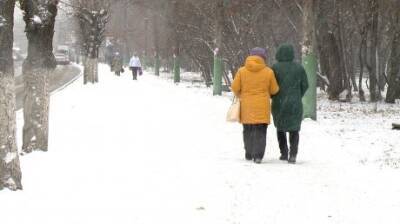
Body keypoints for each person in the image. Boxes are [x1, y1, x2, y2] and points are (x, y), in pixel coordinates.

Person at [231, 47, 280, 164]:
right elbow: (274, 90)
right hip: (262, 107)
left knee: (247, 130)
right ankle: (258, 156)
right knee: (261, 132)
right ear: (263, 58)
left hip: (246, 106)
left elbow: (234, 87)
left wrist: (241, 94)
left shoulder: (241, 71)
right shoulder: (268, 71)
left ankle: (248, 152)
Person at [271, 44, 309, 164]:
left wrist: (274, 95)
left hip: (279, 102)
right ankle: (293, 154)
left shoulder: (274, 68)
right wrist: (297, 95)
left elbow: (271, 85)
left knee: (280, 128)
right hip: (295, 103)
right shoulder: (299, 68)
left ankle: (284, 153)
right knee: (294, 129)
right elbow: (305, 85)